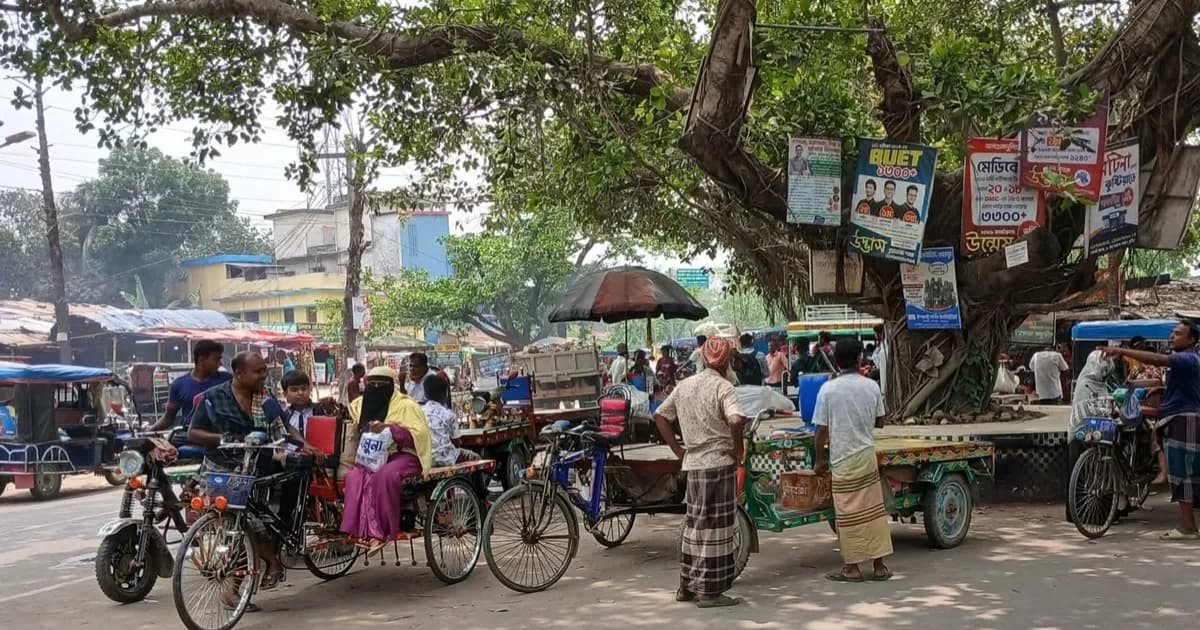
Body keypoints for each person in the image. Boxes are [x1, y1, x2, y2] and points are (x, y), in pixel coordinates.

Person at [188, 352, 325, 593]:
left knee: (253, 522)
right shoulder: (213, 398)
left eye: (264, 370)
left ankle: (245, 580)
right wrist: (226, 438)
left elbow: (284, 427)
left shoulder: (265, 398)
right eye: (258, 371)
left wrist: (305, 445)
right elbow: (194, 433)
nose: (264, 375)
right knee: (240, 524)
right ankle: (267, 564)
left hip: (258, 468)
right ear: (239, 373)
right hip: (223, 468)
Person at [652, 337, 746, 608]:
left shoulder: (685, 386)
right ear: (727, 361)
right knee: (717, 529)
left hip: (693, 466)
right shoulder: (724, 387)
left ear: (703, 358)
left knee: (695, 527)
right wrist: (738, 449)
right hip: (718, 464)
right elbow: (736, 419)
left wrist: (678, 450)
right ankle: (710, 592)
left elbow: (660, 416)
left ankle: (687, 586)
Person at [1101, 322, 1200, 540]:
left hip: (1183, 419)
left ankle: (1188, 527)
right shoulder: (1185, 362)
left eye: (1178, 334)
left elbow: (1158, 360)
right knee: (1183, 470)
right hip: (1175, 417)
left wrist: (1121, 350)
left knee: (1183, 473)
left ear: (1192, 340)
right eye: (1172, 333)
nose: (1172, 336)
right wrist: (1160, 389)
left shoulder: (1187, 358)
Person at [813, 337, 893, 582]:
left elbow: (820, 431)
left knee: (847, 515)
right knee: (873, 512)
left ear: (837, 361)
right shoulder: (871, 386)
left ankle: (853, 568)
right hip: (866, 456)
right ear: (860, 359)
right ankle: (879, 566)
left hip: (842, 458)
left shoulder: (828, 389)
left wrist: (819, 460)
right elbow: (880, 421)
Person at [339, 366, 432, 554]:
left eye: (381, 385)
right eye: (372, 385)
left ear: (391, 385)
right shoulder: (360, 405)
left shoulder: (407, 406)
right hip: (371, 455)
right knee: (354, 477)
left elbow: (419, 435)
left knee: (385, 476)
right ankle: (358, 530)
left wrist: (391, 429)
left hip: (403, 454)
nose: (376, 388)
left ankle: (381, 532)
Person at [1065, 345, 1116, 522]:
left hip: (1097, 434)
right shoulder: (1085, 383)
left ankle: (1099, 515)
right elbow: (1087, 407)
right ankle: (1076, 514)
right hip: (1080, 433)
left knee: (1098, 472)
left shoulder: (1101, 384)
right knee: (1079, 475)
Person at [150, 339, 231, 431]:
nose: (220, 363)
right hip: (189, 436)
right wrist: (148, 432)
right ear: (201, 360)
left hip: (220, 435)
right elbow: (168, 418)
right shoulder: (179, 384)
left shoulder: (227, 381)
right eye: (216, 359)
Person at [871, 325, 888, 400]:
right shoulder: (881, 345)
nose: (874, 335)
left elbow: (878, 361)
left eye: (875, 333)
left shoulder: (885, 346)